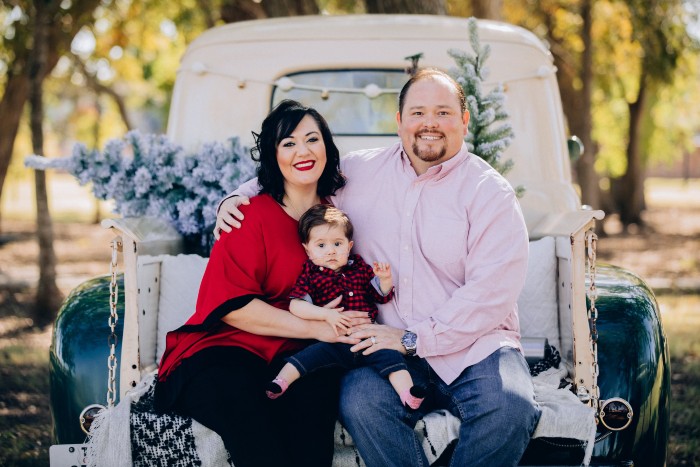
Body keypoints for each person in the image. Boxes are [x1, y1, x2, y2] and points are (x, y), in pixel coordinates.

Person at [215, 69, 541, 466]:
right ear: (399, 121)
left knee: (510, 407)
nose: (430, 124)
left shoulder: (489, 192)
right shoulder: (361, 173)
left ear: (464, 120)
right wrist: (237, 195)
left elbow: (491, 292)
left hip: (475, 348)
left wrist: (411, 338)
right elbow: (298, 176)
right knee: (360, 402)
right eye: (418, 113)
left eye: (443, 113)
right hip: (383, 350)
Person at [154, 99, 371, 467]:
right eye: (288, 143)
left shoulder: (338, 220)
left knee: (311, 426)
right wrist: (316, 328)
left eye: (312, 139)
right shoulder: (247, 215)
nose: (302, 151)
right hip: (226, 350)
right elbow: (232, 307)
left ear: (327, 148)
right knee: (256, 430)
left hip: (300, 354)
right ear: (274, 156)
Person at [266, 204, 426, 410]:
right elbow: (296, 306)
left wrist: (384, 280)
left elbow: (379, 296)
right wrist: (325, 314)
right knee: (307, 357)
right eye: (321, 245)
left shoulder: (359, 267)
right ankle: (279, 383)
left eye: (337, 244)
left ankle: (408, 395)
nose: (331, 251)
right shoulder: (311, 274)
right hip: (334, 339)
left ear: (349, 246)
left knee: (392, 359)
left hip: (369, 338)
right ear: (307, 249)